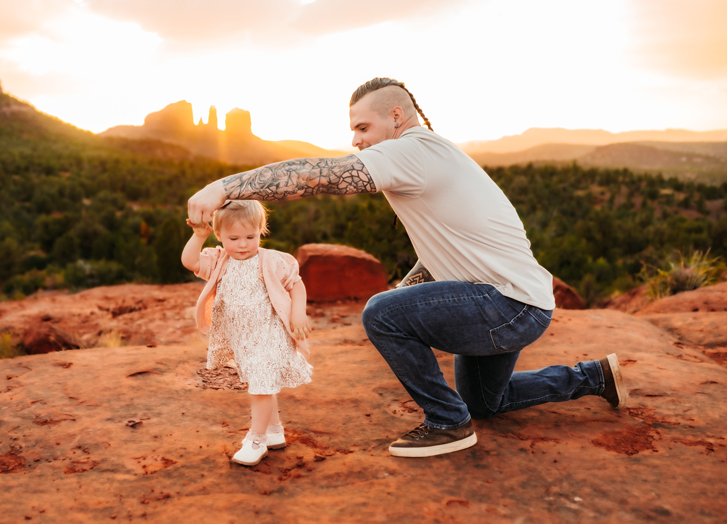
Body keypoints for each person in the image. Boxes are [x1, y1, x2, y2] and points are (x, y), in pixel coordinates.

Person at [187, 77, 628, 459]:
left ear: (396, 115)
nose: (356, 140)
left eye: (363, 127)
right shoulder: (432, 153)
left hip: (505, 305)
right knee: (485, 401)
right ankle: (595, 376)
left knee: (380, 312)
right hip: (518, 304)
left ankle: (446, 423)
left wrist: (223, 187)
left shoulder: (411, 151)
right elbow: (444, 248)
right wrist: (410, 290)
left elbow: (316, 176)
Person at [181, 200, 313, 466]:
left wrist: (299, 312)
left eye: (250, 237)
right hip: (243, 338)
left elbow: (296, 285)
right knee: (261, 382)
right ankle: (274, 431)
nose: (242, 244)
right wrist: (198, 236)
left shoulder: (271, 261)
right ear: (219, 235)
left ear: (260, 231)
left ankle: (257, 439)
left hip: (269, 334)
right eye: (234, 238)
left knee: (260, 386)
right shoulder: (219, 260)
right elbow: (189, 261)